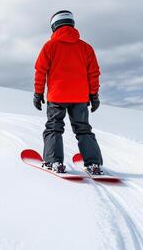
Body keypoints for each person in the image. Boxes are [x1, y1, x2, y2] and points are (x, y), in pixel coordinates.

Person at [33, 10, 104, 175]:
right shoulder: (86, 48)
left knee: (54, 128)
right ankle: (94, 164)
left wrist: (38, 94)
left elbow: (40, 71)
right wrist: (94, 96)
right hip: (80, 98)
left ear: (54, 26)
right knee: (83, 129)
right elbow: (93, 73)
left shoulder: (49, 46)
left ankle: (53, 162)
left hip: (57, 97)